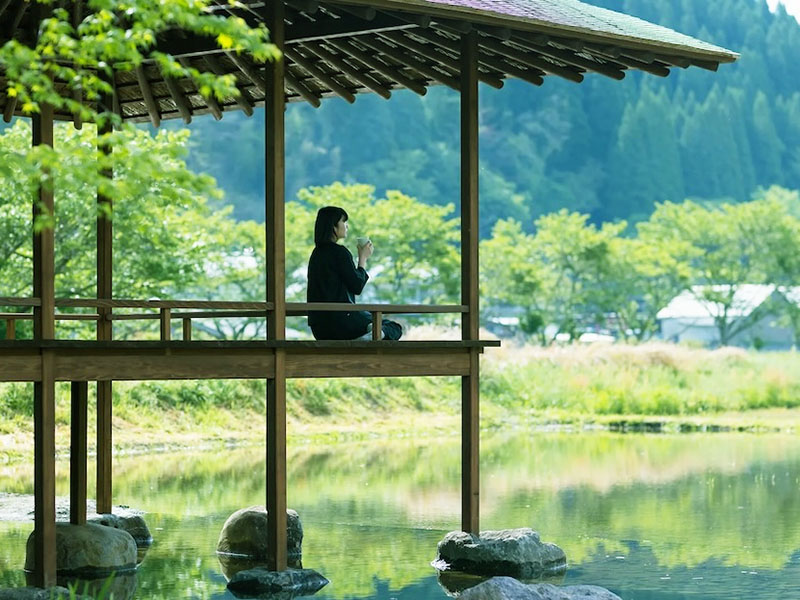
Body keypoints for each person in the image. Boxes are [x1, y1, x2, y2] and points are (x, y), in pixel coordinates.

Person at [307, 206, 402, 341]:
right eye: (343, 222)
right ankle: (369, 337)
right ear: (333, 227)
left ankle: (370, 335)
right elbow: (356, 286)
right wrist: (363, 258)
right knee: (393, 327)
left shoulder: (316, 254)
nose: (346, 226)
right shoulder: (339, 252)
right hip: (343, 322)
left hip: (320, 328)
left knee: (376, 324)